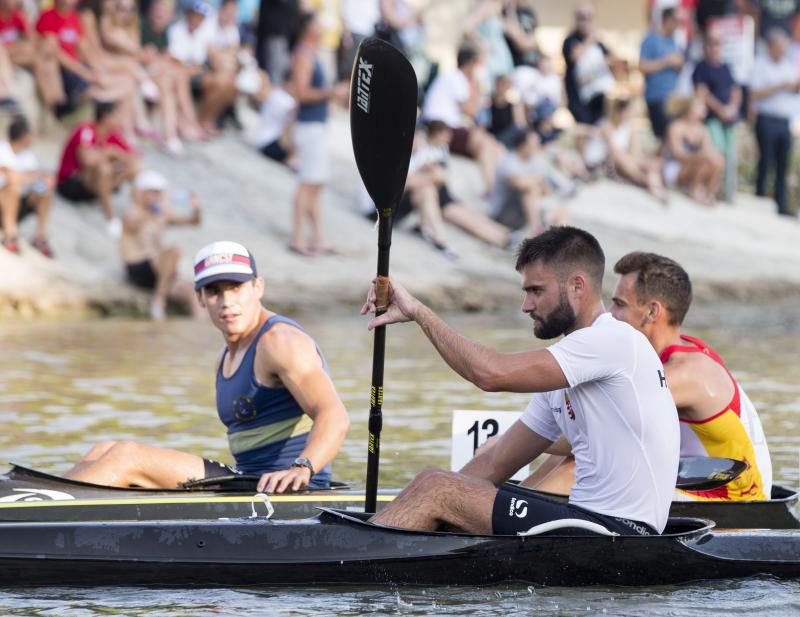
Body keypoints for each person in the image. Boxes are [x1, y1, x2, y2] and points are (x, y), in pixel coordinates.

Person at [362, 226, 679, 535]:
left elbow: (490, 374)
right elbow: (494, 465)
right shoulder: (564, 371)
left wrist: (418, 312)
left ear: (577, 287)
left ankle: (355, 558)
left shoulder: (612, 340)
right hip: (587, 525)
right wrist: (439, 506)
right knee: (437, 485)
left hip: (623, 533)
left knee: (435, 486)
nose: (526, 306)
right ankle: (372, 540)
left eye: (536, 291)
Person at [65, 240, 351, 492]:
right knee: (104, 449)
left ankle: (34, 514)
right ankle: (34, 503)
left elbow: (334, 414)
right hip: (247, 480)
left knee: (127, 455)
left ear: (258, 287)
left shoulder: (279, 341)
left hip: (289, 487)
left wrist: (303, 467)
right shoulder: (225, 356)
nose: (227, 302)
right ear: (199, 298)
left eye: (236, 287)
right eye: (214, 291)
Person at [527, 251, 773, 503]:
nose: (609, 315)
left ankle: (512, 525)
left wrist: (510, 441)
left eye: (620, 304)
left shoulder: (685, 373)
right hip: (692, 483)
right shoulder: (663, 357)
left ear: (652, 312)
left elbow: (592, 436)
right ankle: (511, 510)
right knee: (570, 457)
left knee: (586, 463)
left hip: (731, 500)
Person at [288, 12, 348, 256]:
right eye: (317, 24)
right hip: (310, 125)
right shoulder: (303, 54)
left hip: (317, 124)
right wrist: (330, 93)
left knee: (316, 183)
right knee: (308, 183)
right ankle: (298, 237)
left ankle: (318, 236)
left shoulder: (311, 54)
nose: (322, 27)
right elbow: (301, 93)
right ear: (307, 28)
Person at [421, 44, 504, 194]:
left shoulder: (453, 77)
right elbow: (471, 111)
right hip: (439, 127)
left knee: (493, 145)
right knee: (484, 143)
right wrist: (478, 86)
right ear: (470, 63)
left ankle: (495, 188)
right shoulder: (456, 77)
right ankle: (491, 190)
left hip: (445, 125)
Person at [121, 170, 202, 320]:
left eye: (159, 193)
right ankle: (159, 300)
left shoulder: (161, 213)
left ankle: (201, 327)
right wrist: (155, 209)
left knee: (194, 293)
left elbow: (193, 222)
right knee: (175, 250)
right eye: (153, 193)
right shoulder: (132, 213)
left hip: (160, 273)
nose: (156, 197)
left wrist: (196, 207)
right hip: (138, 267)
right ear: (141, 193)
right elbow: (133, 224)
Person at [56, 100, 140, 237]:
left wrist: (116, 155)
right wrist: (109, 153)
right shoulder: (86, 130)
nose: (120, 119)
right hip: (70, 183)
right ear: (106, 116)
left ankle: (137, 212)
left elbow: (134, 159)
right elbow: (87, 161)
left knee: (133, 168)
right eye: (117, 115)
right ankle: (110, 217)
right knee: (103, 168)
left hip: (93, 185)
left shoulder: (113, 135)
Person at [749, 28, 799, 216]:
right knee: (766, 162)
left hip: (784, 121)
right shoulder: (761, 64)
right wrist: (779, 86)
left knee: (782, 164)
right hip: (766, 119)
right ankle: (759, 199)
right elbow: (754, 93)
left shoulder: (787, 64)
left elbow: (793, 89)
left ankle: (781, 204)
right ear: (771, 47)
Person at [692, 32, 741, 202]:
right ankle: (709, 190)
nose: (713, 48)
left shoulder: (726, 68)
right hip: (712, 119)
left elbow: (735, 90)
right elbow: (702, 93)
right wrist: (721, 110)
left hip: (728, 120)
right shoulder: (701, 67)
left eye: (717, 44)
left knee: (730, 157)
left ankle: (725, 193)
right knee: (715, 154)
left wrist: (732, 108)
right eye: (710, 44)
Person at [0, 115, 54, 257]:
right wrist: (27, 177)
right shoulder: (3, 149)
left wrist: (39, 180)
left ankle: (40, 236)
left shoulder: (28, 156)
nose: (33, 137)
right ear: (23, 135)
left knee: (45, 189)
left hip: (18, 202)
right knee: (12, 185)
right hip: (3, 202)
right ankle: (10, 233)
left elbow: (37, 177)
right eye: (31, 134)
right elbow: (11, 176)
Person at [600, 97, 668, 201]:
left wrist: (644, 161)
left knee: (653, 162)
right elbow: (613, 150)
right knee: (621, 157)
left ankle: (654, 184)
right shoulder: (606, 125)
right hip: (611, 160)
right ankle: (646, 182)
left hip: (626, 158)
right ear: (621, 111)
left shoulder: (629, 127)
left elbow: (635, 151)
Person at [663, 94, 724, 206]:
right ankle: (693, 190)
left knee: (717, 160)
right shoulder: (676, 126)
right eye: (700, 106)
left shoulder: (703, 130)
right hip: (674, 167)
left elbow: (708, 152)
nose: (704, 109)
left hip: (691, 166)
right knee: (706, 159)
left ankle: (710, 193)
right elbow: (678, 154)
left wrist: (710, 155)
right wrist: (700, 156)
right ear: (690, 108)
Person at [562, 2, 614, 125]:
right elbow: (574, 56)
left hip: (598, 96)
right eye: (581, 17)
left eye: (588, 16)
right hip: (578, 97)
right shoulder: (571, 40)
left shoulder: (598, 42)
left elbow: (611, 59)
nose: (585, 21)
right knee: (585, 129)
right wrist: (590, 40)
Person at [639, 7, 683, 139]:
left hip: (673, 97)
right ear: (667, 20)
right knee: (666, 136)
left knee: (673, 136)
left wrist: (678, 63)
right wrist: (665, 61)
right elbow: (642, 66)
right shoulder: (651, 39)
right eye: (676, 21)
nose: (678, 25)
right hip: (657, 97)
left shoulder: (674, 41)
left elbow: (679, 65)